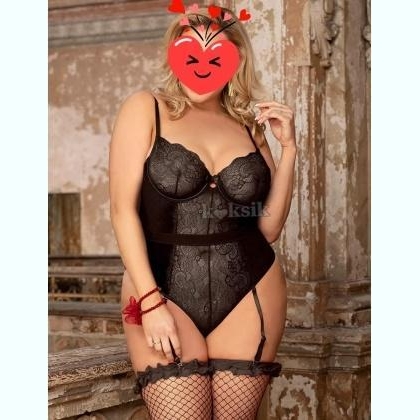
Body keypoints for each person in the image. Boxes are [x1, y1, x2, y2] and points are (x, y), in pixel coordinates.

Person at [109, 6, 296, 420]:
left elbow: (268, 228)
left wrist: (289, 151)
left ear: (236, 59)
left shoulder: (248, 125)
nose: (202, 66)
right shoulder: (146, 108)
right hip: (161, 286)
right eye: (190, 53)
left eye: (216, 56)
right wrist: (151, 304)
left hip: (251, 289)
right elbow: (122, 211)